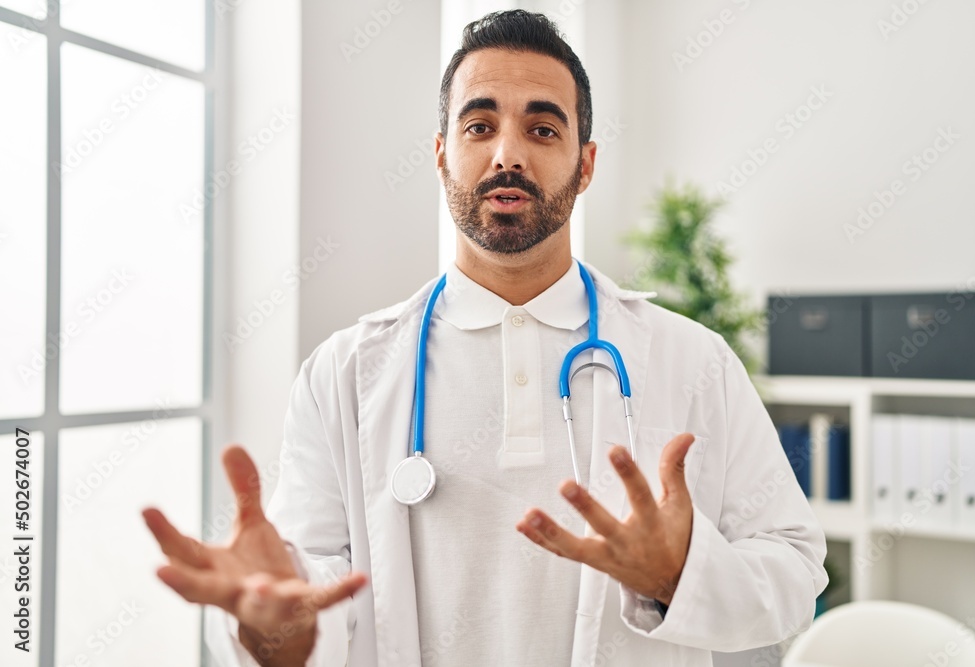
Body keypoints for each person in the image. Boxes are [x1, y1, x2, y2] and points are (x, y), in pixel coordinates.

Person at [143, 9, 828, 666]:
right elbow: (313, 606)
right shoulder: (344, 372)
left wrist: (678, 573)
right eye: (479, 126)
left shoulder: (694, 361)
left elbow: (796, 572)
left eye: (542, 129)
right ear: (442, 155)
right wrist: (272, 628)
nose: (508, 154)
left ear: (585, 165)